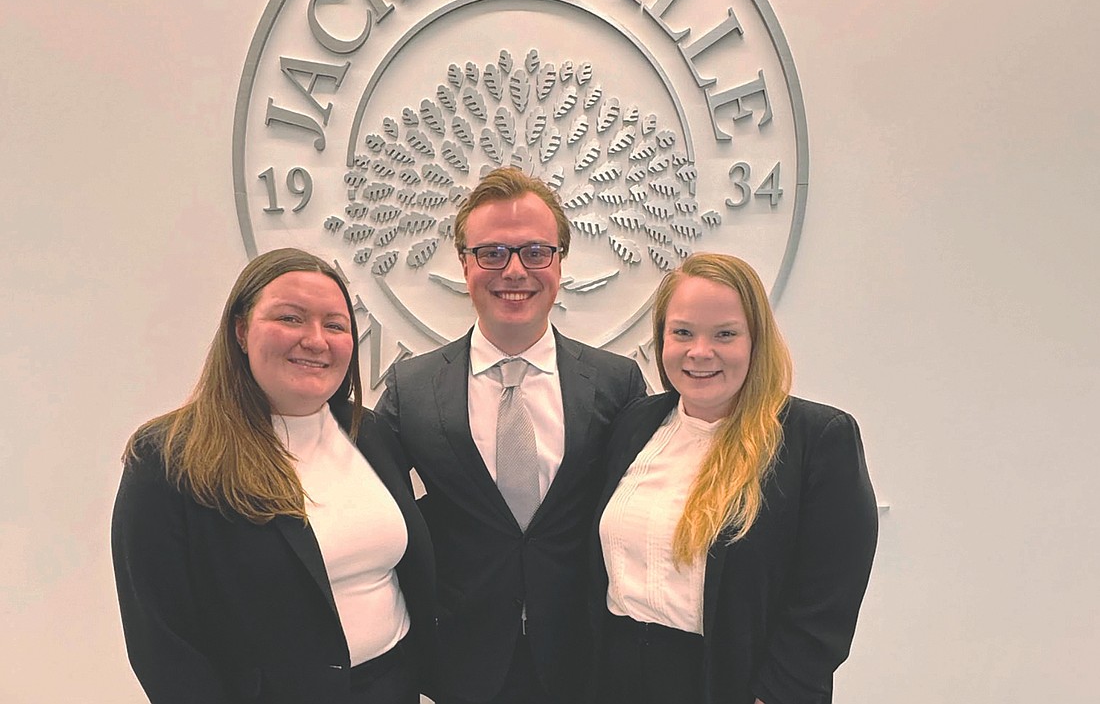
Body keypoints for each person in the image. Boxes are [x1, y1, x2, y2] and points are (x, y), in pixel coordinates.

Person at [111, 248, 435, 704]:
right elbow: (163, 645)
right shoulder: (168, 460)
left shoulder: (370, 432)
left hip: (392, 686)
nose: (315, 340)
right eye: (290, 318)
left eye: (335, 324)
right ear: (241, 331)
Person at [376, 167, 647, 704]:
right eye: (492, 253)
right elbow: (372, 503)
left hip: (586, 661)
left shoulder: (618, 384)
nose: (515, 270)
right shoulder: (411, 386)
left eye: (535, 252)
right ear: (464, 263)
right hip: (458, 666)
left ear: (560, 261)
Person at [591, 253, 878, 704]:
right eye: (682, 332)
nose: (699, 352)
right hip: (620, 676)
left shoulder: (816, 439)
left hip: (733, 684)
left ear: (755, 339)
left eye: (724, 334)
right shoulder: (635, 423)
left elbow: (826, 604)